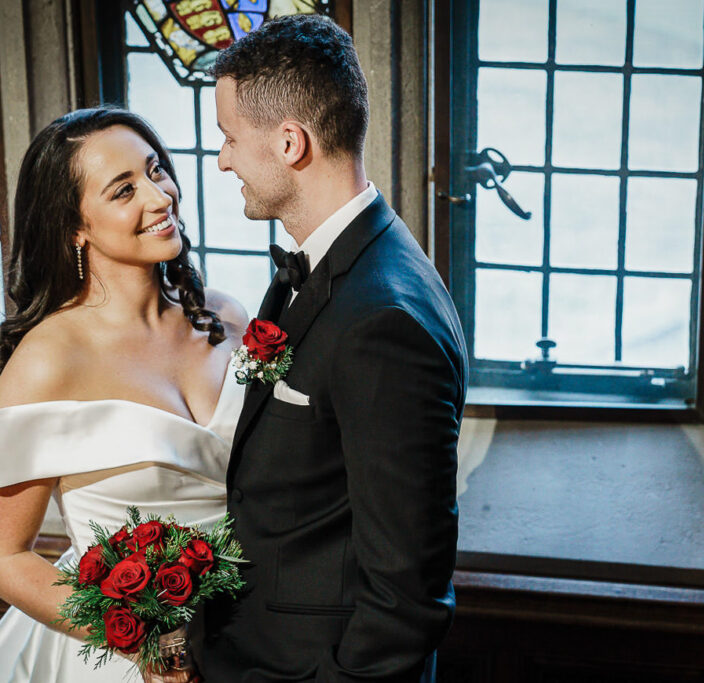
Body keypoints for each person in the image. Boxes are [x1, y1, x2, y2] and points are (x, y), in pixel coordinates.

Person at [198, 15, 468, 683]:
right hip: (253, 646)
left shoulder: (384, 320)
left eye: (231, 138)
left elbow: (405, 595)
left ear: (291, 142)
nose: (224, 158)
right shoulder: (323, 267)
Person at [0, 107, 248, 683]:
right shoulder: (48, 361)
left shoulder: (227, 316)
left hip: (257, 634)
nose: (160, 197)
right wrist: (143, 639)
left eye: (156, 170)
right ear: (74, 227)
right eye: (124, 190)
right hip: (131, 662)